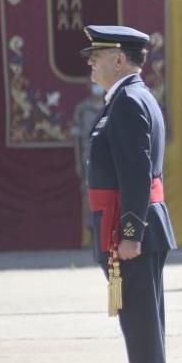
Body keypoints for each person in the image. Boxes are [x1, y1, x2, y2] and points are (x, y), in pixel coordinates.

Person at [81, 25, 177, 363]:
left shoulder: (127, 102)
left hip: (130, 230)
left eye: (97, 54)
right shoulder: (133, 97)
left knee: (141, 327)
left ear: (119, 59)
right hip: (129, 224)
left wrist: (131, 234)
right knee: (144, 326)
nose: (90, 62)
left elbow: (137, 173)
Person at [72, 82, 105, 246]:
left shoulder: (110, 106)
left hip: (108, 158)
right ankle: (91, 231)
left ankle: (106, 232)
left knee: (107, 193)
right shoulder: (82, 109)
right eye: (93, 84)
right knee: (88, 194)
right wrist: (77, 161)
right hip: (87, 157)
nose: (96, 87)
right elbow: (76, 139)